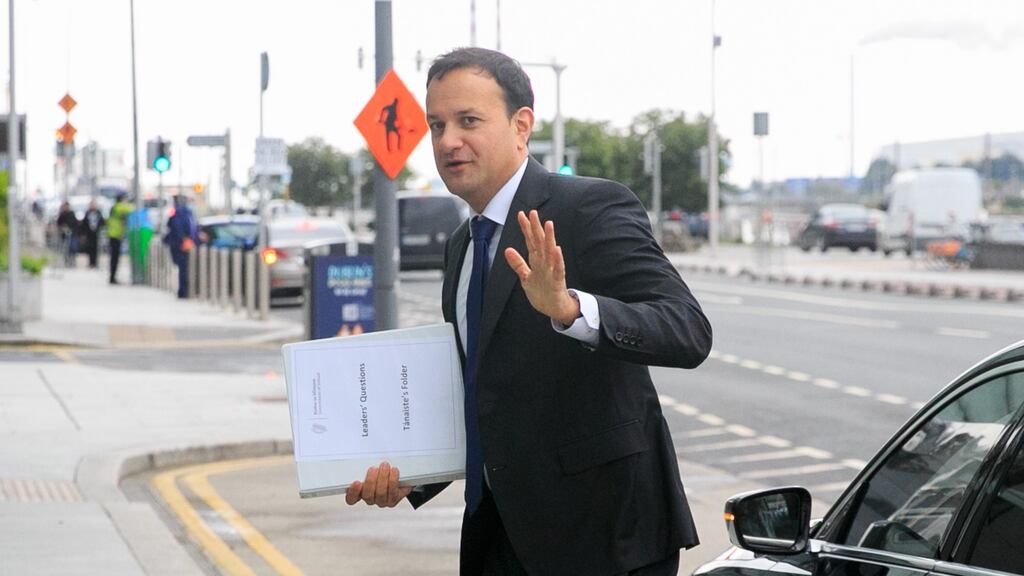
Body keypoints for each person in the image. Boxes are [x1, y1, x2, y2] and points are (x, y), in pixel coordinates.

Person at [345, 48, 712, 576]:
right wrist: (413, 474)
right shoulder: (462, 246)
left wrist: (570, 310)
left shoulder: (590, 208)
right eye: (437, 124)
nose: (448, 141)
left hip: (604, 540)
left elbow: (688, 330)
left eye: (468, 121)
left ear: (522, 127)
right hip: (498, 539)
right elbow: (480, 393)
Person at [164, 195, 198, 298]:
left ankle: (184, 290)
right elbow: (176, 227)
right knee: (183, 268)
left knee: (183, 268)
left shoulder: (183, 212)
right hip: (181, 245)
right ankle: (183, 291)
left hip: (181, 243)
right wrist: (183, 240)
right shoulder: (182, 212)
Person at [107, 193, 133, 284]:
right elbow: (129, 209)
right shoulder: (118, 207)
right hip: (115, 235)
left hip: (114, 235)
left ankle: (112, 277)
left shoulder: (115, 207)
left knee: (115, 258)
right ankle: (112, 278)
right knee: (115, 258)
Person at [79, 199, 105, 269]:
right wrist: (83, 233)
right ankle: (91, 263)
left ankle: (95, 263)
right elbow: (84, 224)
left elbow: (102, 222)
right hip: (89, 233)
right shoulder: (87, 213)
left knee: (96, 248)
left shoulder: (98, 212)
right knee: (90, 248)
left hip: (96, 233)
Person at [56, 201, 79, 267]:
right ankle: (66, 261)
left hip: (72, 234)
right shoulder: (62, 214)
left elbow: (75, 224)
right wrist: (63, 228)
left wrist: (70, 228)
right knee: (65, 249)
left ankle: (72, 260)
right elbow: (58, 223)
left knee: (72, 248)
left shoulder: (72, 214)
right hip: (64, 234)